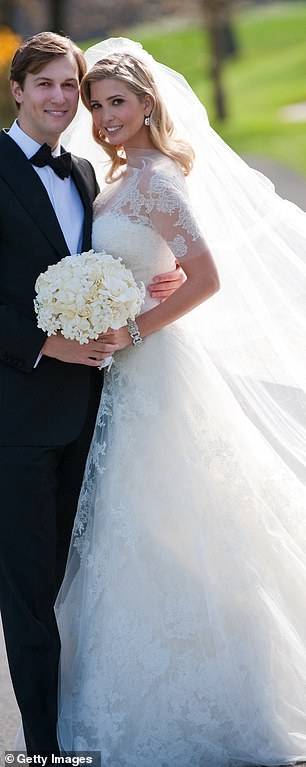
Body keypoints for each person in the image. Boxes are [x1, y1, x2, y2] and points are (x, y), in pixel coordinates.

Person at [55, 38, 306, 766]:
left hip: (156, 371)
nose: (104, 117)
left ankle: (209, 697)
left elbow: (205, 277)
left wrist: (131, 323)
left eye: (117, 103)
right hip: (119, 377)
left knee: (168, 526)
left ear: (147, 104)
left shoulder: (158, 179)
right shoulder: (114, 178)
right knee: (124, 534)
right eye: (97, 105)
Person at [0, 31, 183, 760]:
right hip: (17, 416)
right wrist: (44, 344)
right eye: (43, 84)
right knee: (30, 591)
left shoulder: (82, 172)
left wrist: (146, 288)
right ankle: (45, 749)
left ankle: (85, 722)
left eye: (68, 86)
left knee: (86, 583)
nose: (59, 98)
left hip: (95, 412)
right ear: (17, 90)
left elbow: (96, 269)